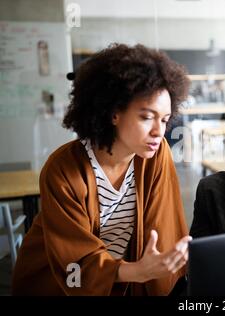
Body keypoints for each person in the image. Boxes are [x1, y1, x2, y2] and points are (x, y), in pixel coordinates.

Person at [12, 44, 192, 296]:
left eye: (164, 120)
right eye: (146, 117)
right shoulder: (63, 169)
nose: (158, 131)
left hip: (123, 281)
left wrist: (152, 270)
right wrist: (135, 271)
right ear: (114, 112)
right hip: (57, 282)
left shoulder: (156, 153)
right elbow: (72, 263)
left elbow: (162, 232)